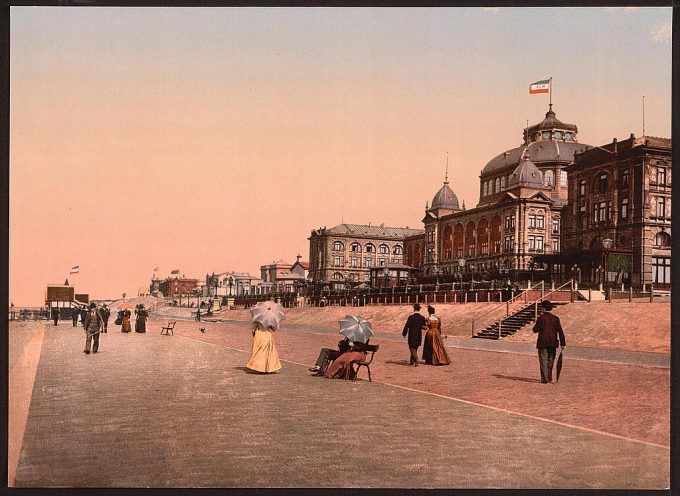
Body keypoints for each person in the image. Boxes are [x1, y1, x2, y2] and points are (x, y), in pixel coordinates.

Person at [532, 300, 566, 383]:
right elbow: (560, 331)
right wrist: (563, 343)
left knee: (543, 359)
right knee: (551, 359)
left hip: (543, 342)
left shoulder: (541, 318)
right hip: (553, 342)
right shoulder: (556, 318)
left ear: (543, 308)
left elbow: (535, 330)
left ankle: (544, 378)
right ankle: (549, 376)